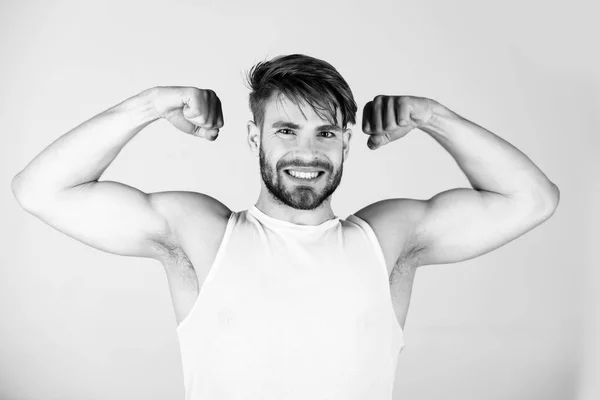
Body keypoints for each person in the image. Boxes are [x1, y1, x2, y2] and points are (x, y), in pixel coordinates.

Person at [11, 54, 560, 399]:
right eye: (286, 130)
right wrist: (152, 104)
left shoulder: (386, 240)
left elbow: (532, 200)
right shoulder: (202, 235)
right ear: (255, 138)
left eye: (325, 133)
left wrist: (434, 117)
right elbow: (39, 190)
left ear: (347, 140)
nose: (307, 152)